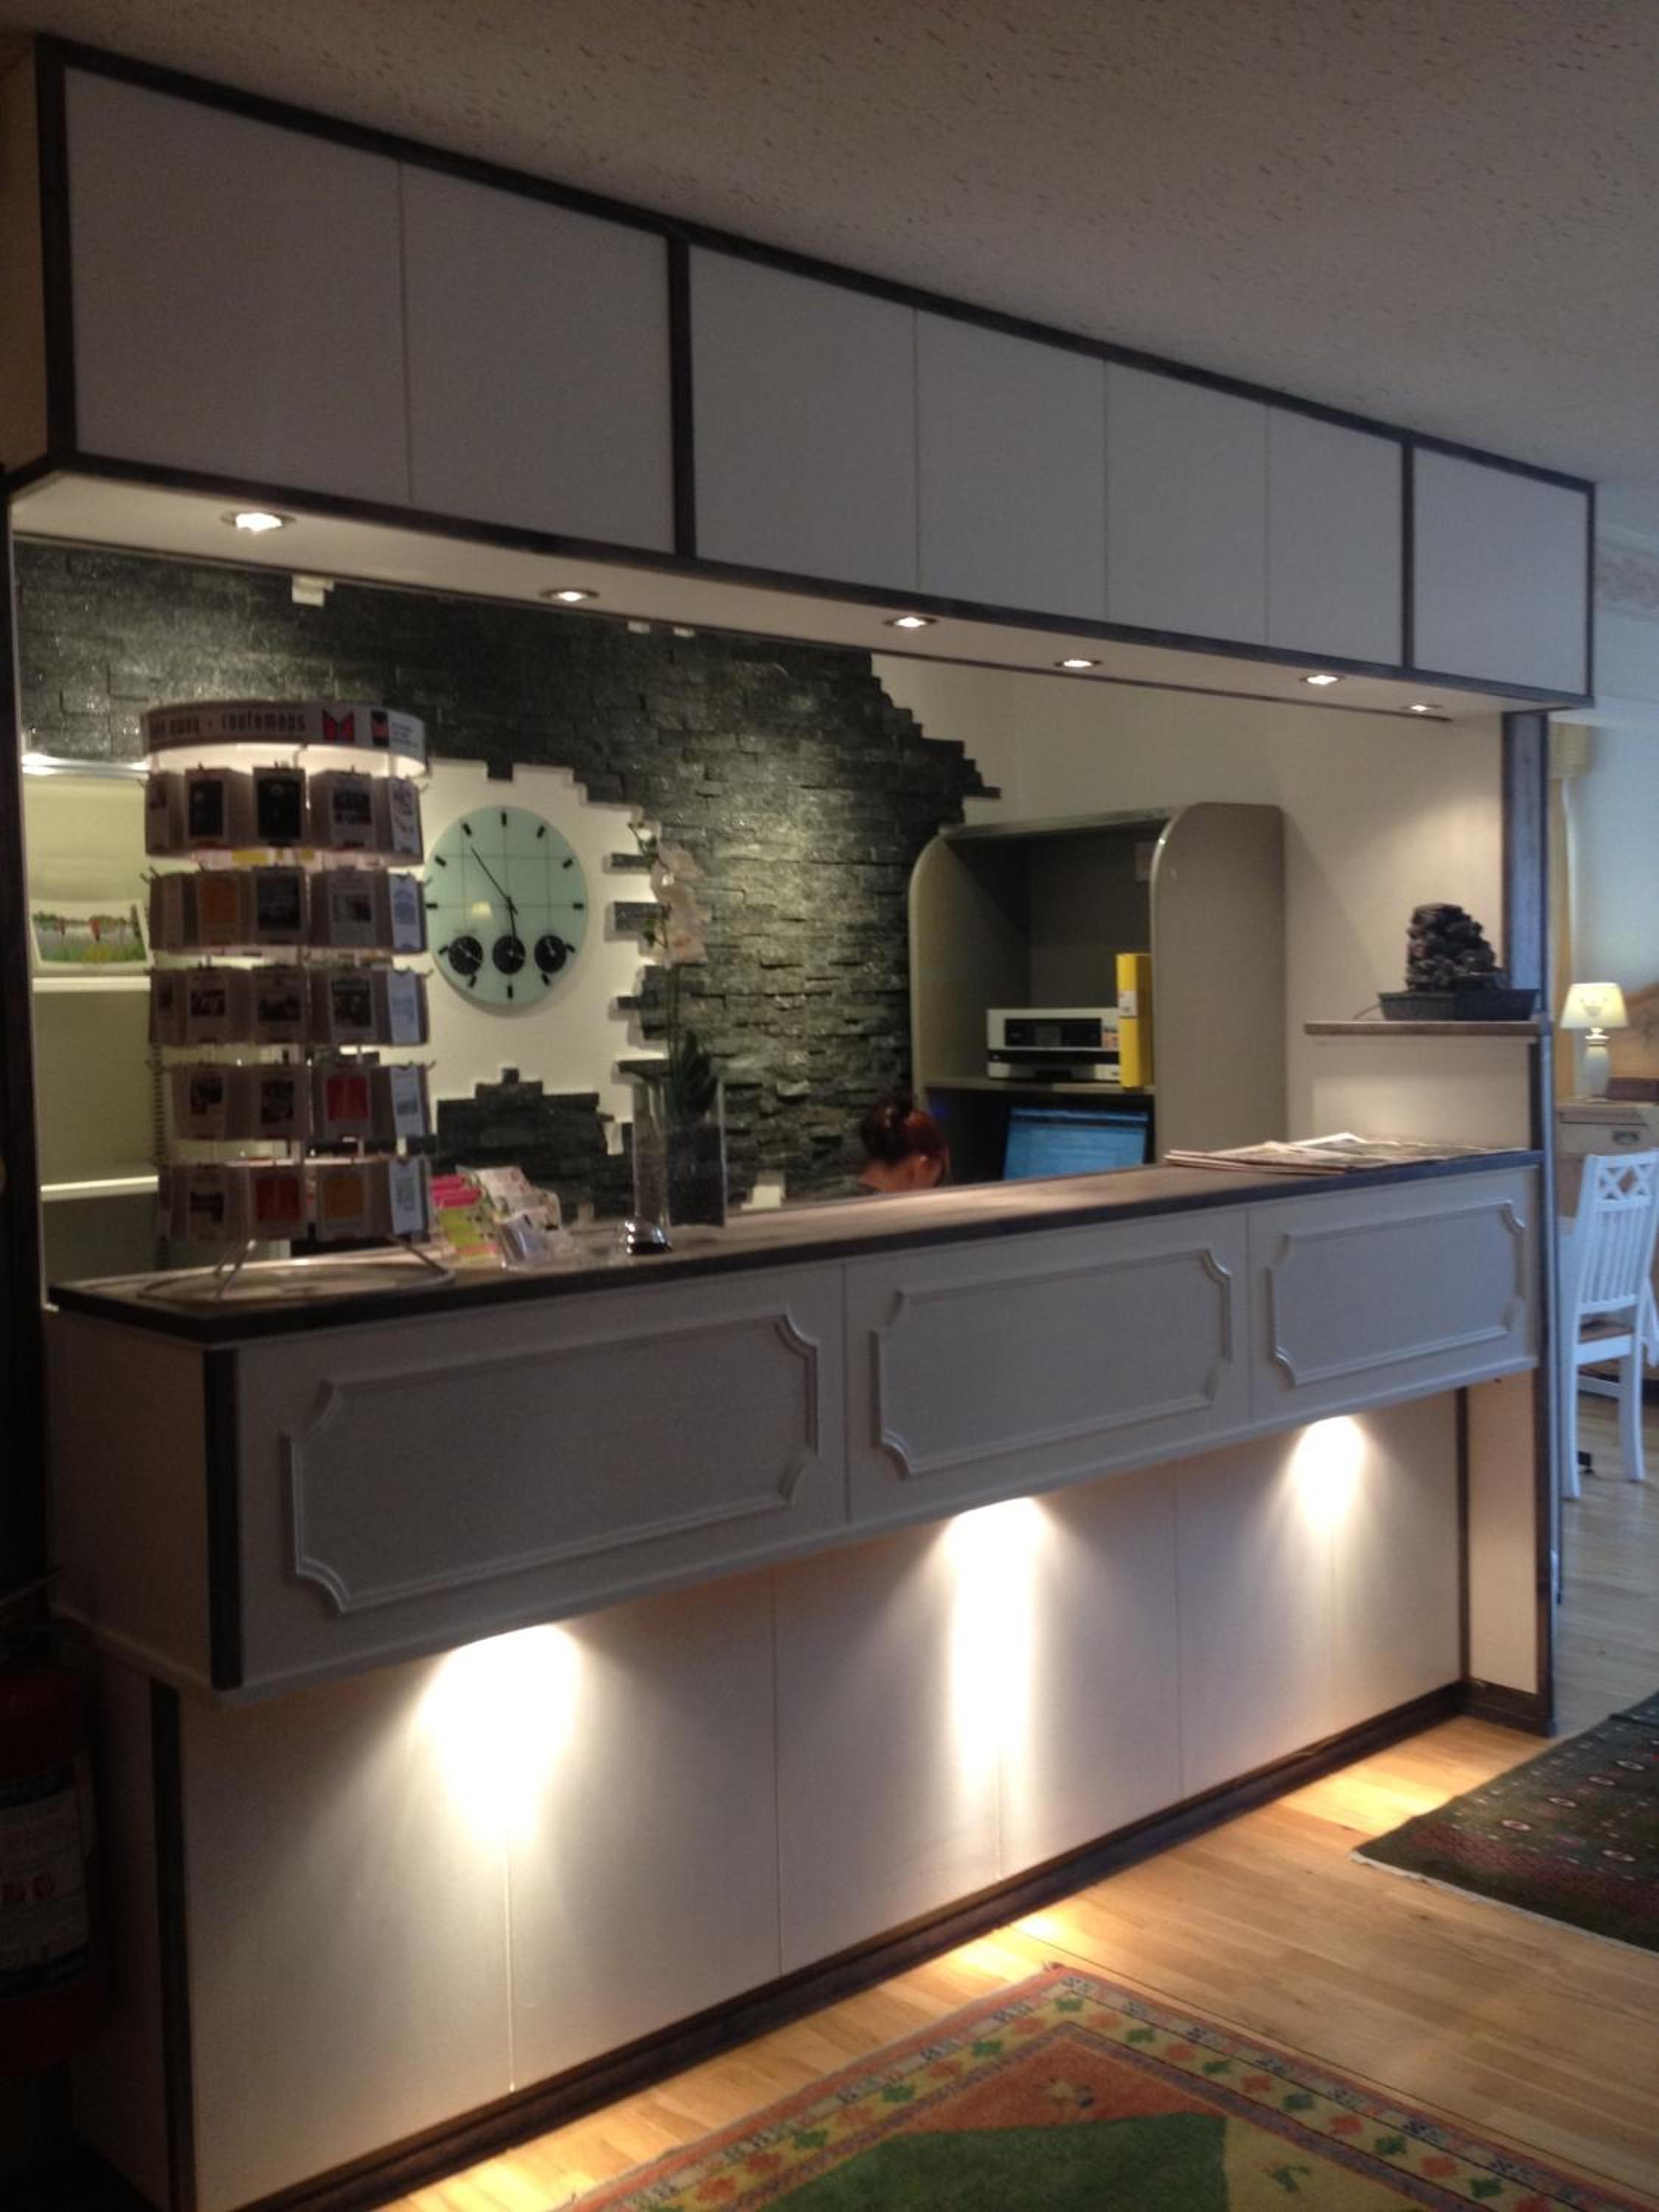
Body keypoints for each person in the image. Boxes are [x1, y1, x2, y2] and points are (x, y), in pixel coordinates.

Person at [852, 1097, 950, 1194]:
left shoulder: (849, 1198)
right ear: (924, 1168)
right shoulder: (894, 1204)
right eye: (935, 1183)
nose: (932, 1190)